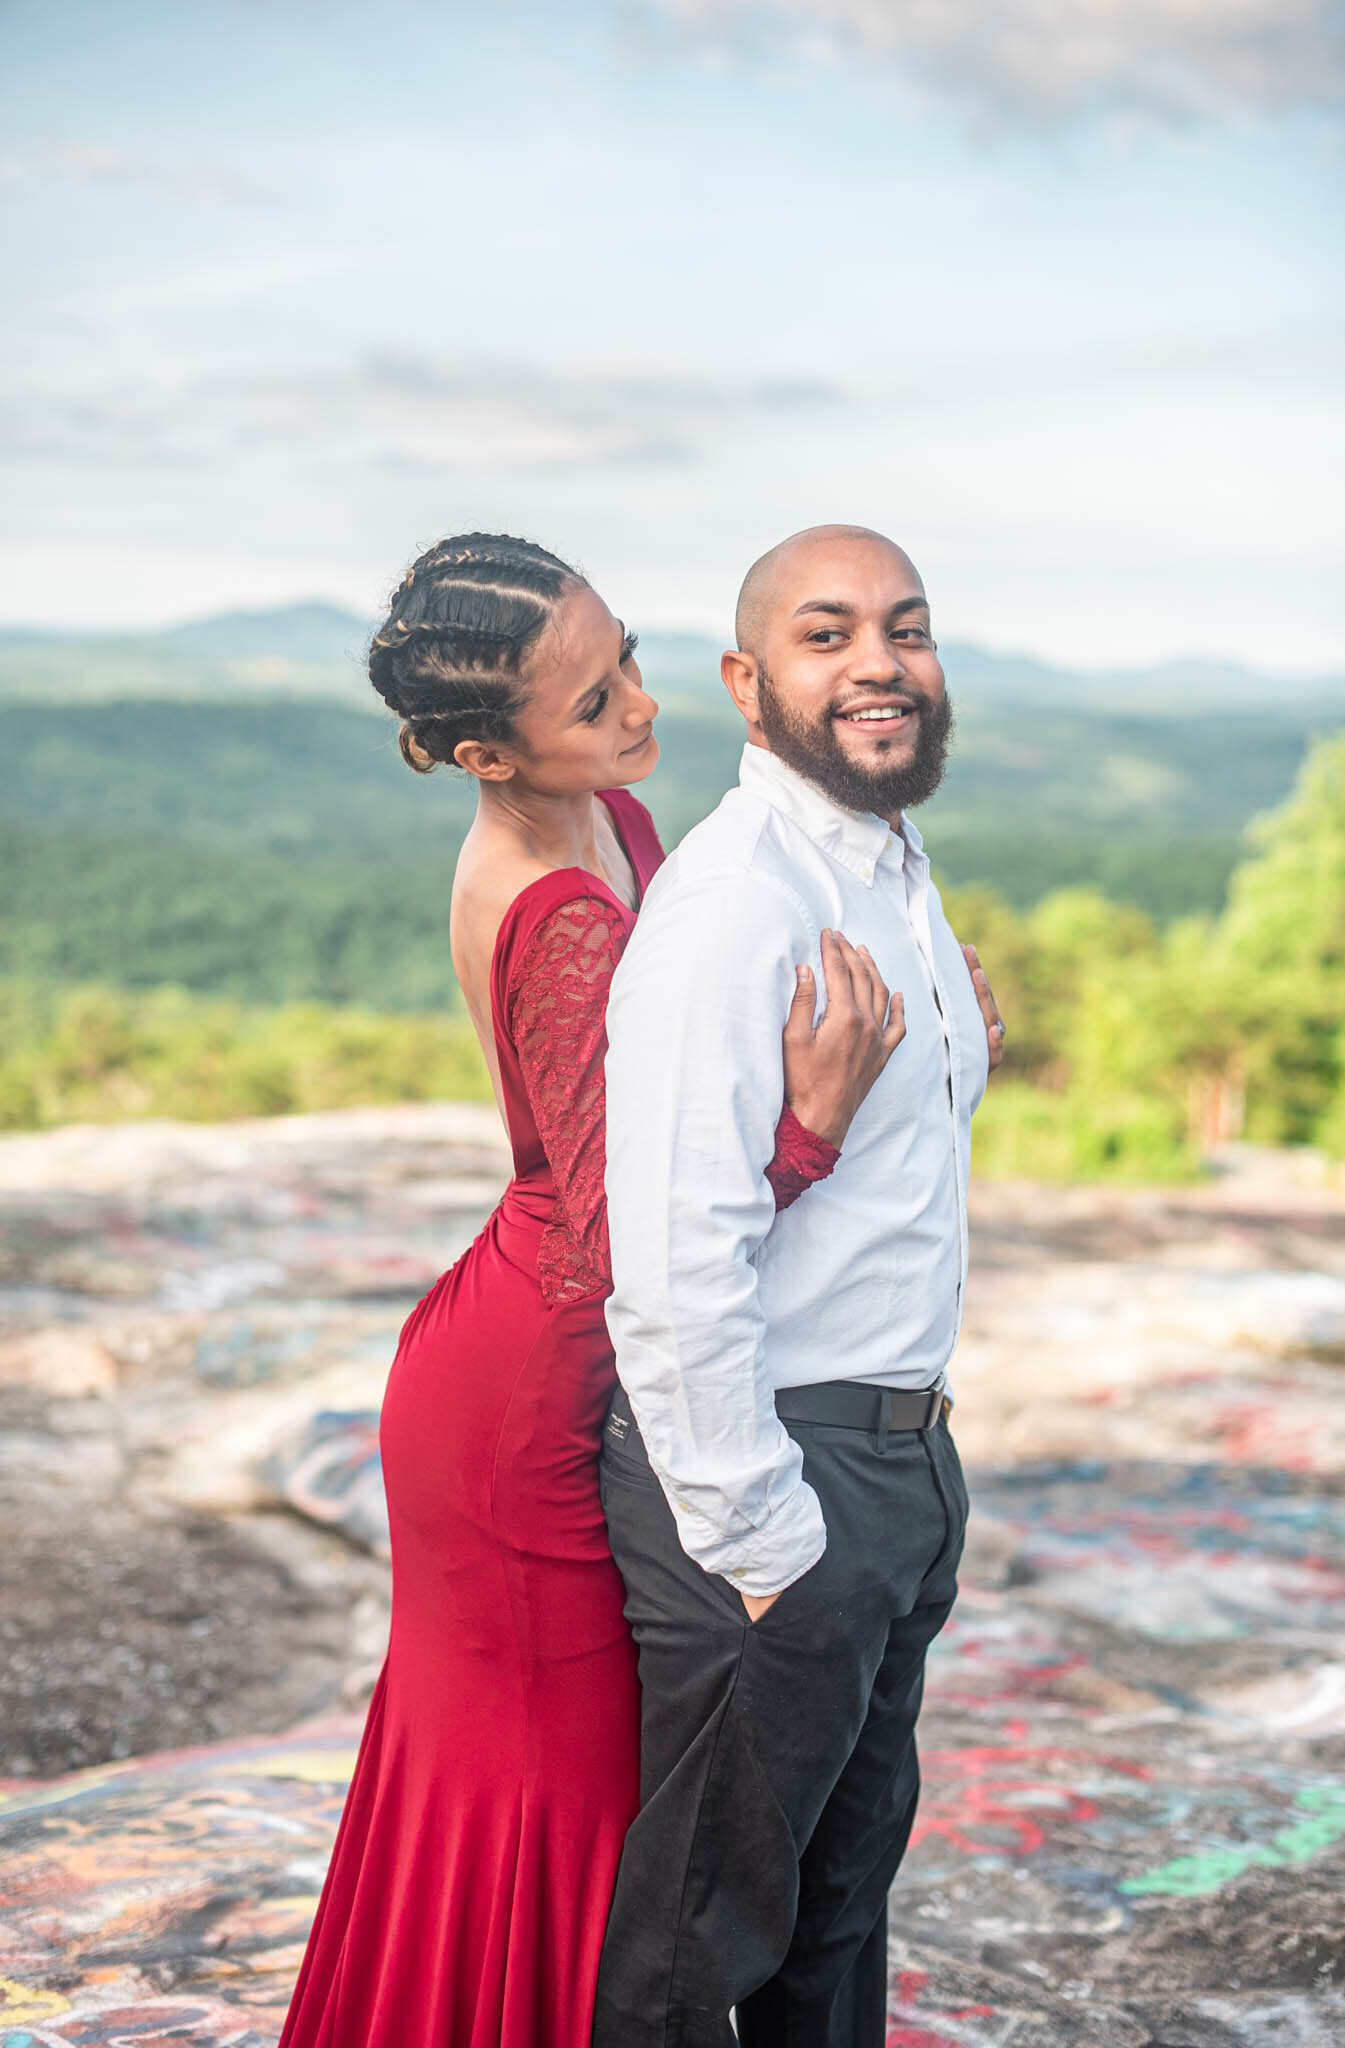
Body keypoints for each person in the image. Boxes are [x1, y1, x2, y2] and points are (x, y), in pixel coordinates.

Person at [275, 532, 941, 2048]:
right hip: (534, 1383)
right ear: (482, 752)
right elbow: (619, 1244)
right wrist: (807, 1128)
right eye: (593, 699)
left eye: (629, 654)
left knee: (581, 1784)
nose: (639, 704)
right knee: (564, 1791)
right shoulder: (552, 906)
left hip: (542, 1320)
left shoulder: (611, 813)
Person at [594, 524, 1002, 2047]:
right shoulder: (734, 906)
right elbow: (676, 1253)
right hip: (781, 1475)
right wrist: (768, 1544)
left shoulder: (886, 860)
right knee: (696, 1955)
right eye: (828, 637)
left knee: (837, 1921)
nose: (883, 664)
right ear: (747, 683)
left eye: (906, 627)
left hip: (901, 1460)